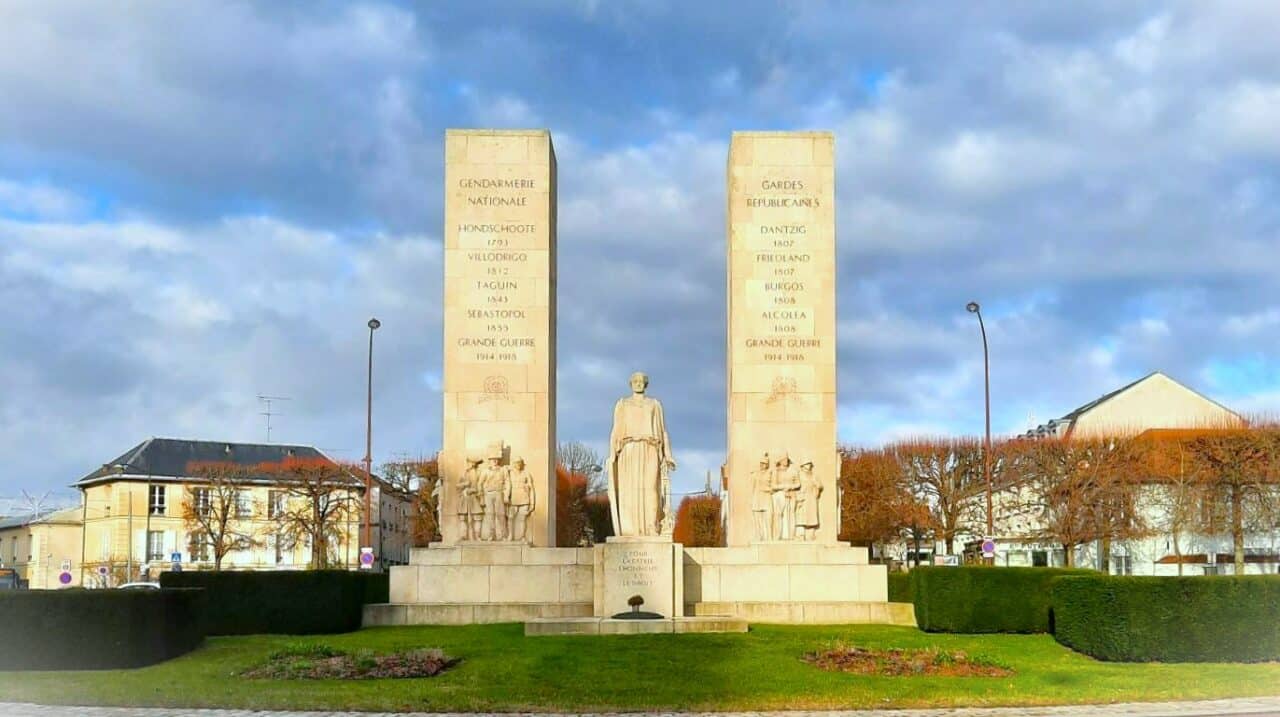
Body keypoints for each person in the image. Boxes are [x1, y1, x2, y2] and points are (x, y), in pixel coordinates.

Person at [606, 372, 676, 536]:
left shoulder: (654, 404)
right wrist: (611, 456)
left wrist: (668, 454)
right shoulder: (622, 404)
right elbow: (615, 431)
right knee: (629, 490)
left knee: (651, 488)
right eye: (635, 381)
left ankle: (651, 527)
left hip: (650, 447)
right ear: (631, 384)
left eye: (641, 381)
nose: (638, 383)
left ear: (646, 384)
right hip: (628, 448)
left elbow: (663, 430)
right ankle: (630, 530)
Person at [480, 451, 509, 541]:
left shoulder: (503, 470)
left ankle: (504, 535)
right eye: (493, 459)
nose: (495, 461)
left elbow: (507, 482)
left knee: (501, 514)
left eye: (497, 459)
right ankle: (491, 535)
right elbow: (480, 483)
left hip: (499, 493)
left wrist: (507, 495)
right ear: (490, 460)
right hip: (488, 494)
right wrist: (481, 496)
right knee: (490, 515)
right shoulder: (485, 471)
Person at [506, 456, 536, 543]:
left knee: (522, 519)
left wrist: (532, 503)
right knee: (510, 518)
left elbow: (531, 488)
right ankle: (510, 535)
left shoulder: (526, 474)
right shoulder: (509, 473)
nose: (518, 464)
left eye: (519, 462)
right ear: (514, 464)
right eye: (516, 463)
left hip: (524, 500)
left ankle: (522, 536)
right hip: (513, 500)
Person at [771, 452, 800, 540]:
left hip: (791, 495)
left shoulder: (793, 471)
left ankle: (791, 535)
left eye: (787, 459)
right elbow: (773, 485)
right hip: (779, 495)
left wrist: (791, 487)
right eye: (784, 459)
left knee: (791, 514)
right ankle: (777, 535)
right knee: (778, 514)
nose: (786, 461)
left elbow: (798, 483)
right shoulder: (776, 472)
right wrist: (783, 487)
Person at [456, 456, 484, 541]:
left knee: (477, 517)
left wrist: (475, 491)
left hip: (474, 497)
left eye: (474, 463)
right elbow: (457, 486)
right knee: (463, 518)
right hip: (465, 497)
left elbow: (481, 485)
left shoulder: (479, 473)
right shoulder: (464, 473)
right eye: (471, 462)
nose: (472, 464)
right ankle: (464, 536)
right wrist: (465, 484)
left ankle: (477, 536)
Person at [794, 460, 822, 541]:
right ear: (803, 465)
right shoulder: (798, 474)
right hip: (802, 497)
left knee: (811, 517)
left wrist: (817, 487)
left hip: (811, 497)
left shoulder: (813, 475)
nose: (809, 465)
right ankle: (800, 534)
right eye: (807, 464)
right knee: (800, 517)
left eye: (809, 464)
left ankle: (811, 534)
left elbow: (819, 485)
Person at [750, 453, 773, 542]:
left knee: (768, 518)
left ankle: (769, 537)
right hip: (757, 497)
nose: (762, 465)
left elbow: (773, 485)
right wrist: (751, 499)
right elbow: (752, 487)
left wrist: (769, 489)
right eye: (761, 463)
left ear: (767, 465)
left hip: (766, 497)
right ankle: (758, 536)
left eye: (764, 463)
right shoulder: (755, 474)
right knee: (757, 519)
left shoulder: (770, 473)